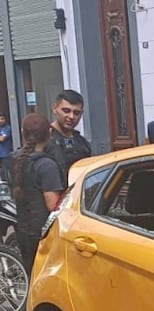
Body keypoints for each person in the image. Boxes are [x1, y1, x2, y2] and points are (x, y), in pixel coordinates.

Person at [12, 114, 64, 277]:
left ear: (22, 132)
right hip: (43, 234)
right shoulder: (46, 165)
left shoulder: (16, 159)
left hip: (23, 230)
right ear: (49, 133)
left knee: (31, 275)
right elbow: (52, 204)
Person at [46, 90, 92, 177]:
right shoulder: (45, 139)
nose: (71, 117)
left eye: (76, 113)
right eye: (66, 111)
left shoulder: (82, 142)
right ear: (54, 108)